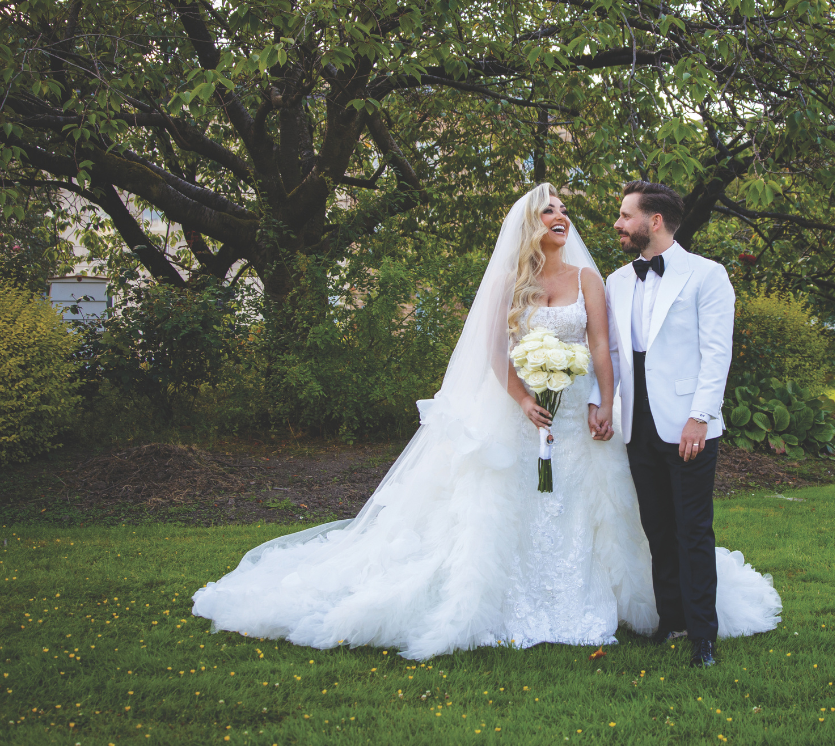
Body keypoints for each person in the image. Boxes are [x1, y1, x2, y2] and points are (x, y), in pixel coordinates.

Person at [191, 184, 781, 661]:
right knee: (574, 515)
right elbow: (501, 353)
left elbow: (617, 351)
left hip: (597, 420)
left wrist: (614, 403)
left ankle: (690, 630)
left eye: (615, 214)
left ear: (653, 221)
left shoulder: (635, 278)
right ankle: (623, 615)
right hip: (537, 418)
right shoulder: (556, 281)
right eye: (551, 209)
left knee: (640, 519)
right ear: (528, 224)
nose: (571, 218)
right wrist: (526, 400)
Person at [588, 180, 738, 668]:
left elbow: (717, 354)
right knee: (656, 527)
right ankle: (669, 620)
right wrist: (601, 402)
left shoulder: (707, 275)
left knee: (693, 530)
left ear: (654, 221)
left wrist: (701, 417)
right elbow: (609, 352)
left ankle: (703, 635)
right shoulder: (616, 280)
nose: (618, 224)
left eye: (625, 215)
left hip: (689, 426)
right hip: (638, 425)